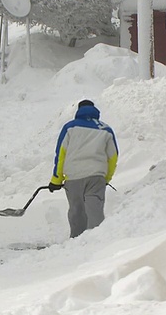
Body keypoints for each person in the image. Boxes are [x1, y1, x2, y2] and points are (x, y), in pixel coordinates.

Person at [48, 99, 119, 238]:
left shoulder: (69, 127)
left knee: (77, 212)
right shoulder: (106, 129)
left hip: (73, 177)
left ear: (79, 111)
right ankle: (98, 241)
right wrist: (106, 178)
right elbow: (113, 157)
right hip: (96, 176)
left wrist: (56, 180)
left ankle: (76, 243)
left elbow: (61, 154)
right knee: (95, 212)